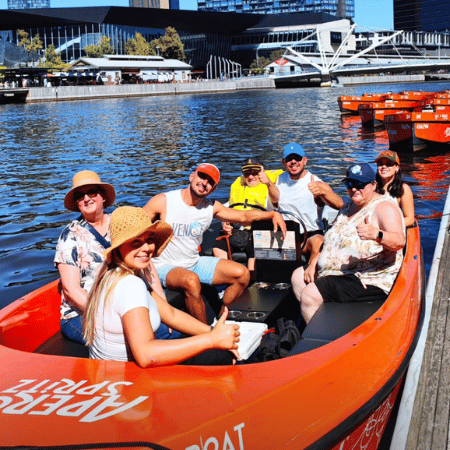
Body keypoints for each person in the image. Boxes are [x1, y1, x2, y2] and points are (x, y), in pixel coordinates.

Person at [83, 206, 239, 367]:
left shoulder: (116, 273)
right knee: (226, 359)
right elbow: (146, 355)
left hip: (109, 376)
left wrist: (213, 332)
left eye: (149, 240)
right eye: (135, 241)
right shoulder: (130, 284)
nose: (146, 248)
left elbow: (170, 314)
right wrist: (212, 340)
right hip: (127, 383)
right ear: (118, 248)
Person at [143, 163, 287, 324]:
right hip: (164, 265)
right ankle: (205, 335)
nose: (204, 183)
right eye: (202, 176)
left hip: (193, 262)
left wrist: (272, 214)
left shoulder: (210, 207)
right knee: (191, 281)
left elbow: (243, 217)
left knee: (242, 274)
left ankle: (221, 314)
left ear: (213, 188)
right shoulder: (163, 201)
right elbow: (134, 228)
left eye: (210, 182)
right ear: (192, 176)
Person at [291, 163, 405, 324]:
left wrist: (377, 234)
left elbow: (399, 241)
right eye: (350, 184)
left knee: (310, 294)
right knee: (297, 277)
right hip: (340, 273)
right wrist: (315, 260)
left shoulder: (384, 207)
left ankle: (326, 343)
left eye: (360, 184)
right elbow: (332, 239)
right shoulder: (348, 206)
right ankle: (316, 326)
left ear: (373, 185)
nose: (354, 189)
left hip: (366, 277)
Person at [54, 170, 116, 344]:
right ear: (77, 203)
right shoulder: (70, 235)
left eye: (92, 192)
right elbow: (71, 290)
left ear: (103, 196)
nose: (87, 198)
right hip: (82, 315)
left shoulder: (118, 223)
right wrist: (111, 317)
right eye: (81, 196)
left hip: (119, 304)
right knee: (130, 337)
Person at [273, 143, 344, 283]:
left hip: (310, 234)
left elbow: (339, 204)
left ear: (305, 160)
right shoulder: (279, 180)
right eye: (289, 159)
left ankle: (309, 279)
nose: (293, 162)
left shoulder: (315, 182)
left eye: (297, 158)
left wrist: (322, 192)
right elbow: (273, 204)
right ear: (284, 162)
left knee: (319, 242)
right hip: (286, 233)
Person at [213, 158, 283, 271]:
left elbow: (276, 201)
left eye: (255, 173)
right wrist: (224, 224)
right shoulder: (237, 187)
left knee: (254, 254)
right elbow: (226, 209)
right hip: (236, 231)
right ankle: (228, 277)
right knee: (218, 248)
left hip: (258, 232)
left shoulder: (268, 188)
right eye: (247, 174)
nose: (250, 177)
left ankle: (252, 281)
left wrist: (269, 183)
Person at [375, 150, 415, 227]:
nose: (384, 167)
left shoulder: (404, 189)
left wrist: (387, 226)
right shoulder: (372, 187)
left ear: (397, 168)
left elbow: (410, 219)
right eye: (380, 164)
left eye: (389, 164)